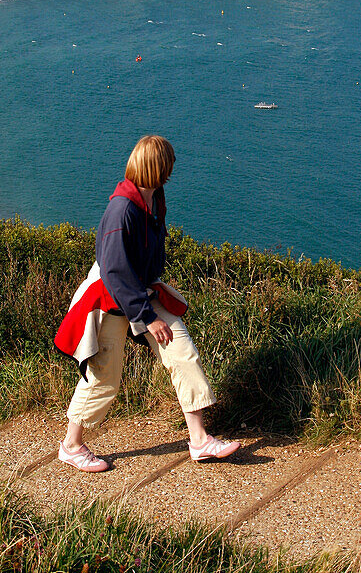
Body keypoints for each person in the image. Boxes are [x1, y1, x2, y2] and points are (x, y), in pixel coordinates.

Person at [54, 135, 241, 473]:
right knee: (104, 379)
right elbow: (113, 270)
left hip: (141, 291)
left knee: (182, 351)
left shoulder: (153, 200)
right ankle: (71, 445)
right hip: (112, 299)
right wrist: (146, 316)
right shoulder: (122, 209)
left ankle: (199, 440)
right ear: (160, 167)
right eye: (169, 162)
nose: (172, 168)